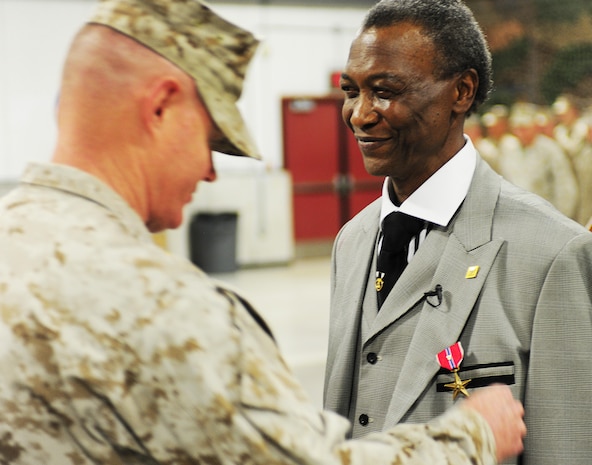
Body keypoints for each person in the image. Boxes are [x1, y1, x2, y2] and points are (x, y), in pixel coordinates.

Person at [0, 1, 526, 464]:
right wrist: (473, 436)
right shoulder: (157, 304)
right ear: (160, 106)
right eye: (209, 140)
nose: (209, 172)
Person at [323, 1, 592, 465]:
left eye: (385, 91)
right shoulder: (353, 241)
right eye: (352, 91)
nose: (360, 114)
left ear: (461, 91)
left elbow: (565, 444)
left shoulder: (552, 254)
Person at [498, 103, 578, 218]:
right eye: (517, 129)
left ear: (535, 126)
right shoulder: (508, 149)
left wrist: (562, 218)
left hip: (546, 216)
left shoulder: (550, 149)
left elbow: (565, 188)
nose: (520, 133)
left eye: (525, 128)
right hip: (516, 216)